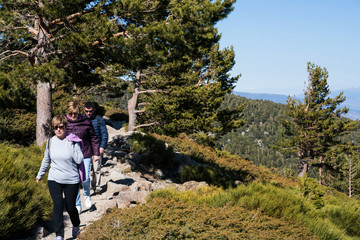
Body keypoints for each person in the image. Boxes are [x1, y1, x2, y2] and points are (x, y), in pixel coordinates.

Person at [36, 115, 83, 240]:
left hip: (71, 179)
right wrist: (40, 174)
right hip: (54, 178)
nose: (58, 129)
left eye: (61, 127)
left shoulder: (73, 141)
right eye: (55, 127)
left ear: (65, 127)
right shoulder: (51, 142)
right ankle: (59, 235)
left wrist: (72, 145)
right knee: (57, 204)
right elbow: (46, 160)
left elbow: (79, 159)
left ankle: (76, 225)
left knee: (70, 207)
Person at [66, 101, 100, 213]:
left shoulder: (86, 121)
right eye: (71, 114)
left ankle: (87, 195)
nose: (73, 116)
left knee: (85, 178)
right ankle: (77, 204)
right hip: (71, 155)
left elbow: (94, 138)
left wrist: (96, 154)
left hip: (85, 153)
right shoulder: (65, 122)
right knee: (75, 180)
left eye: (75, 113)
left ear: (79, 112)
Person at [84, 102, 109, 194]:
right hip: (85, 148)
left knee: (97, 168)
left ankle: (97, 187)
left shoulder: (99, 119)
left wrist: (102, 147)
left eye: (90, 111)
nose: (88, 113)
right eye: (86, 111)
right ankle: (88, 186)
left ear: (94, 110)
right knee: (86, 169)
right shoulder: (81, 119)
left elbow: (104, 134)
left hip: (97, 148)